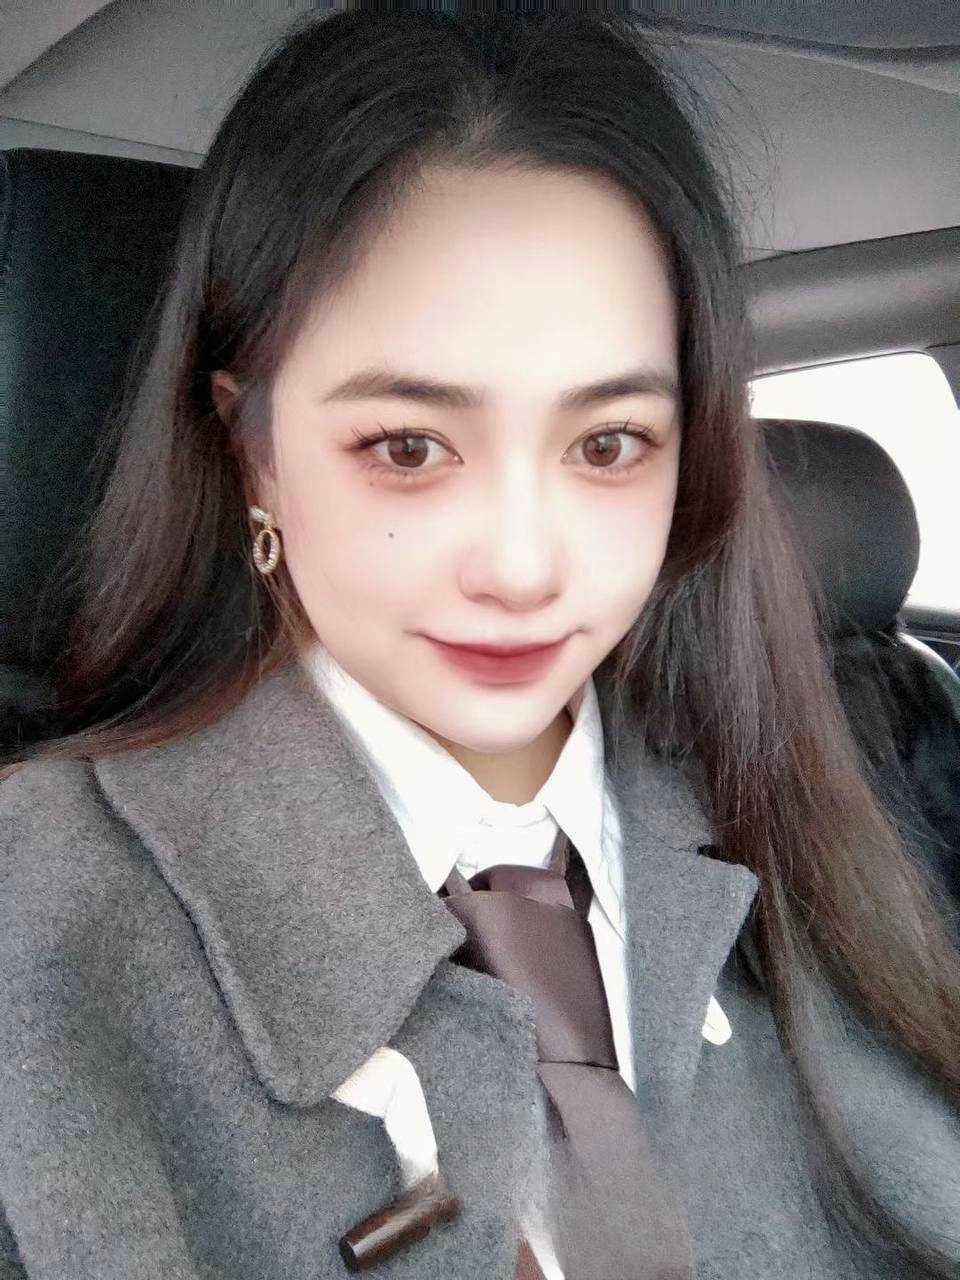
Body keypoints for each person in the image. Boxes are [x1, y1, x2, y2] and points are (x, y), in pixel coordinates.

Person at [1, 10, 958, 1280]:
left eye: (609, 444)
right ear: (255, 454)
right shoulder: (42, 910)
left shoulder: (808, 797)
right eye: (408, 447)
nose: (521, 566)